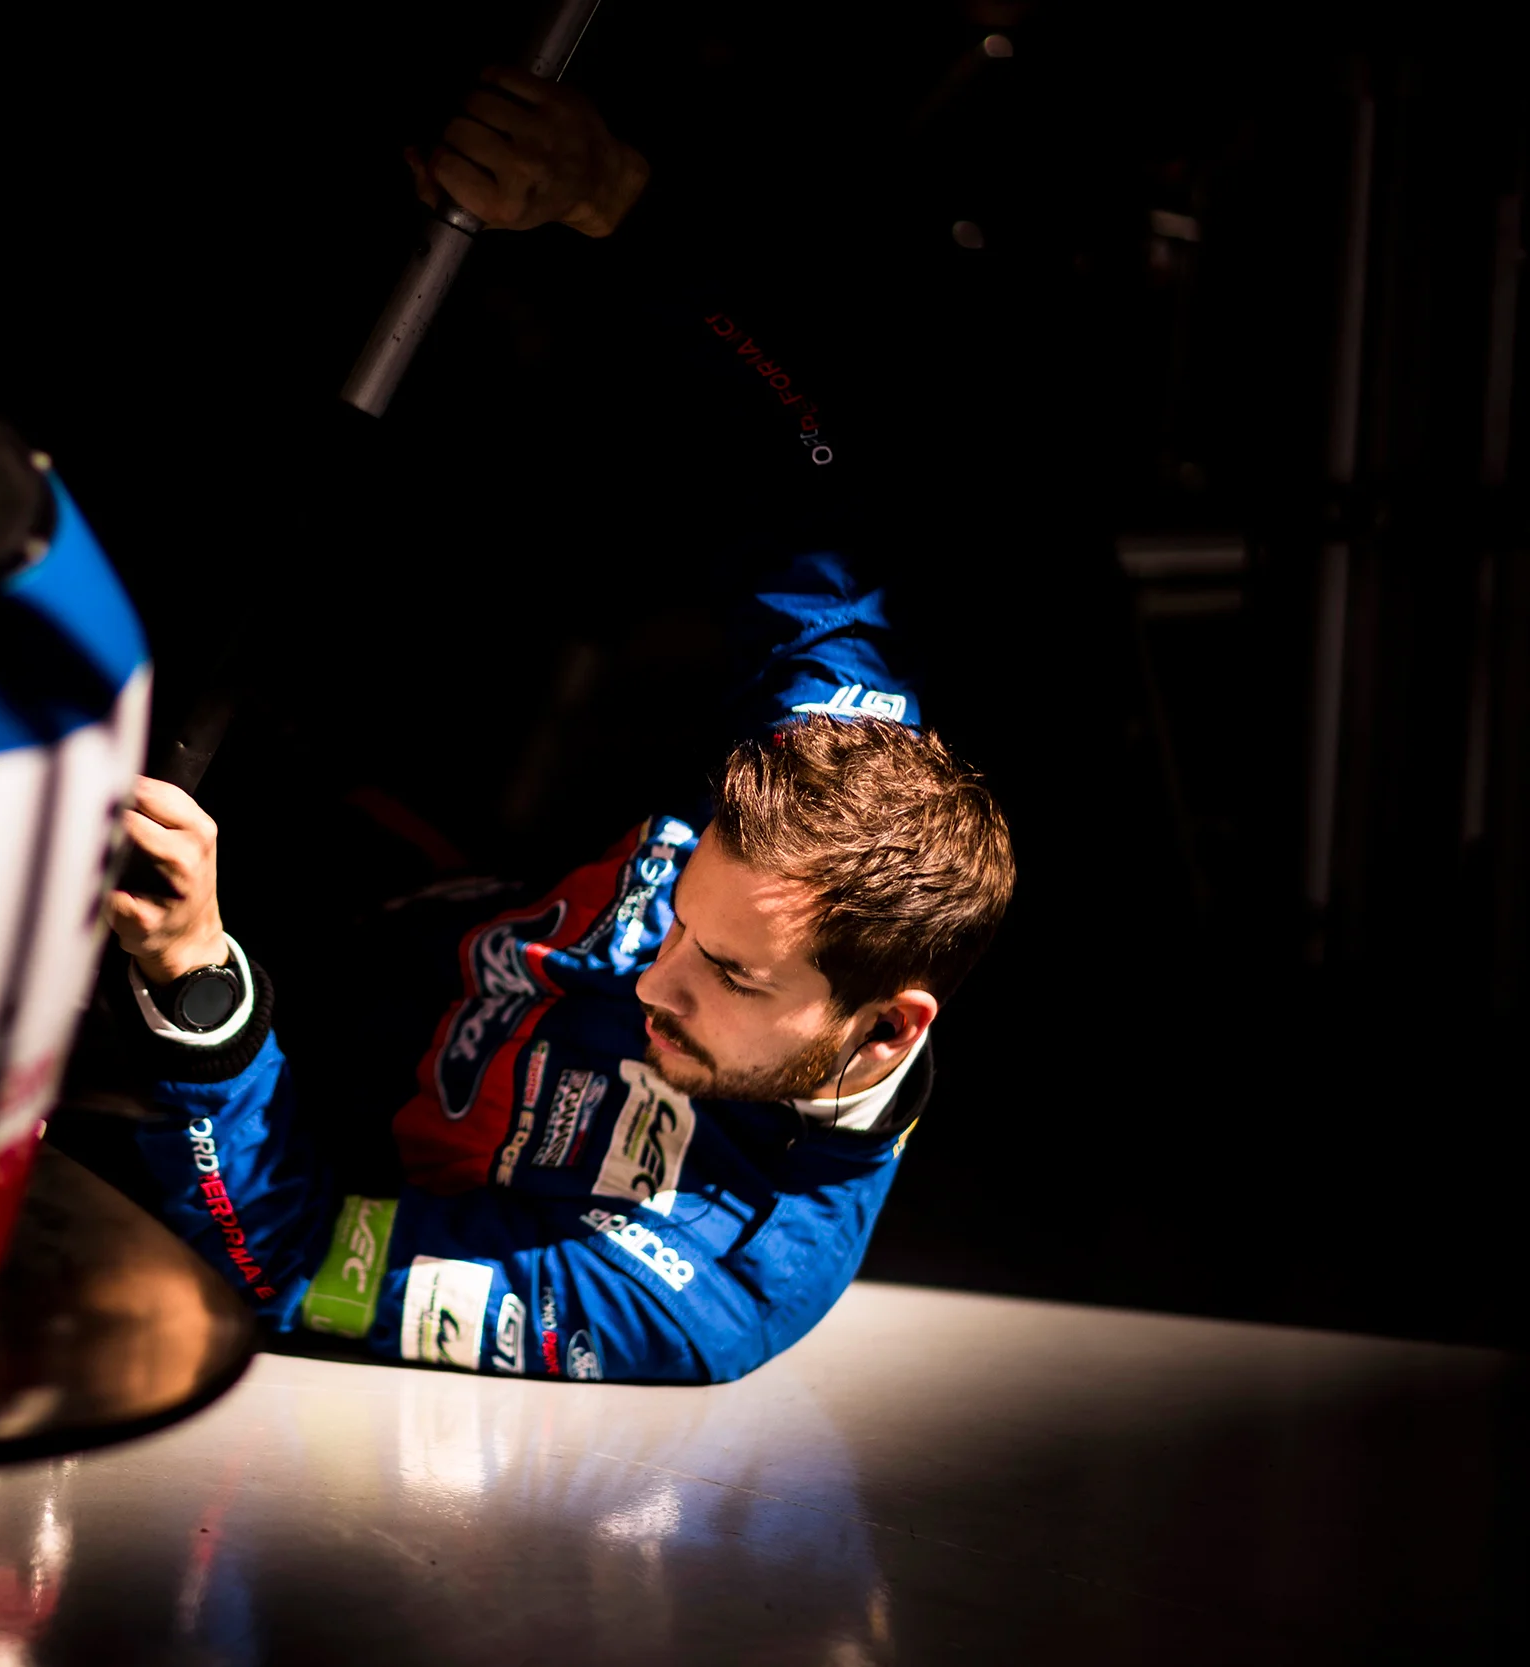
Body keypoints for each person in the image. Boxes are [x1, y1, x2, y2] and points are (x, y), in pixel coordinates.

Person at [77, 68, 1016, 1384]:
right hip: (346, 871)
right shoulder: (829, 768)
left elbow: (279, 1261)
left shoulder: (690, 1289)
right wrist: (614, 200)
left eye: (730, 977)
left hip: (206, 1095)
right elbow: (808, 469)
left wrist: (195, 982)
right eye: (683, 920)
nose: (651, 978)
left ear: (886, 1029)